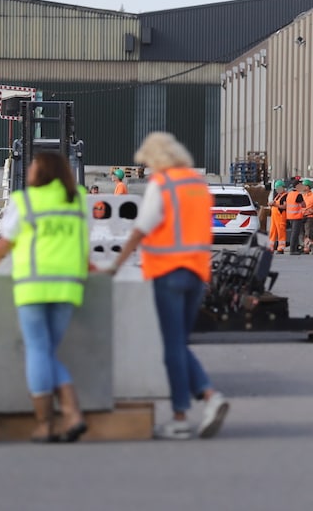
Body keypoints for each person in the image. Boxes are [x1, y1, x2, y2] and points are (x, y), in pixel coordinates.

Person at [0, 151, 91, 443]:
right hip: (68, 287)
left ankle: (46, 424)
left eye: (34, 165)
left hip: (33, 286)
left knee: (38, 351)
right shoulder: (78, 200)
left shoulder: (25, 201)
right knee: (46, 352)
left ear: (41, 171)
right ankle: (72, 414)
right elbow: (85, 240)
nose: (30, 169)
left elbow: (6, 243)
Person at [109, 132, 228, 440]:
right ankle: (207, 396)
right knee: (179, 342)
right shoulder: (198, 185)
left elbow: (142, 227)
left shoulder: (163, 185)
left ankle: (184, 413)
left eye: (148, 162)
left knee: (172, 346)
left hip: (168, 272)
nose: (148, 169)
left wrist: (115, 264)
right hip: (196, 273)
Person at [285, 180, 308, 255]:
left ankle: (295, 248)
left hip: (290, 216)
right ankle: (293, 250)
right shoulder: (298, 195)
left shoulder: (290, 194)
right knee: (295, 233)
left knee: (294, 233)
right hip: (296, 216)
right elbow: (304, 205)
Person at [268, 179, 289, 254]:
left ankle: (281, 248)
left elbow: (285, 206)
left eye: (279, 188)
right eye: (277, 188)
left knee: (281, 232)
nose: (278, 190)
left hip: (281, 216)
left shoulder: (286, 196)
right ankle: (270, 247)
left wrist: (275, 205)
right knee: (272, 232)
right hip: (274, 217)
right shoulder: (277, 196)